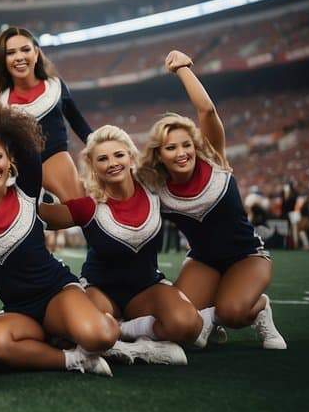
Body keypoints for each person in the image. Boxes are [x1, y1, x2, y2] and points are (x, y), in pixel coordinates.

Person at [0, 109, 159, 376]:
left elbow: (27, 141)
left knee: (99, 335)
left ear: (10, 161)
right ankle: (73, 359)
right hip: (19, 311)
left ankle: (120, 340)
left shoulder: (27, 191)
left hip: (56, 293)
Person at [136, 50, 286, 350]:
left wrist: (182, 68)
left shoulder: (214, 159)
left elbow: (207, 113)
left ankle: (258, 309)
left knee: (233, 311)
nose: (181, 153)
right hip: (203, 261)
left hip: (247, 255)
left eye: (186, 145)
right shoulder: (158, 188)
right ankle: (206, 318)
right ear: (159, 155)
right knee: (181, 318)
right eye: (170, 148)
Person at [37, 126, 197, 361]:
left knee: (187, 325)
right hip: (100, 291)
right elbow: (39, 216)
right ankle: (134, 340)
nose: (112, 163)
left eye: (118, 155)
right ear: (92, 166)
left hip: (146, 288)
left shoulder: (156, 193)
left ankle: (124, 336)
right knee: (69, 333)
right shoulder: (88, 205)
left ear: (131, 157)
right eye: (102, 159)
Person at [0, 27, 90, 202]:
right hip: (24, 180)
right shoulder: (0, 103)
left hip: (61, 167)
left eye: (25, 50)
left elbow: (79, 125)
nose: (19, 57)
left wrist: (103, 146)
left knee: (79, 207)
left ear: (36, 54)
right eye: (11, 53)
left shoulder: (55, 86)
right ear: (3, 60)